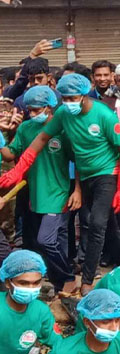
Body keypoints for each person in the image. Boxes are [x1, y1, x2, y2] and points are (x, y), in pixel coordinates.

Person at [0, 74, 120, 297]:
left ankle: (87, 279)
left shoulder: (103, 115)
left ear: (84, 93)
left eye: (73, 97)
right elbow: (40, 140)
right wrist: (19, 169)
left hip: (106, 173)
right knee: (110, 226)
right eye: (66, 98)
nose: (69, 102)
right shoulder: (62, 114)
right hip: (86, 174)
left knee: (96, 224)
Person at [1, 87, 79, 294]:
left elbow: (79, 160)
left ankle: (67, 277)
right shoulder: (26, 128)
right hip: (35, 194)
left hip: (59, 192)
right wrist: (1, 139)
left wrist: (77, 190)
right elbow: (10, 155)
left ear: (49, 107)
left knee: (46, 240)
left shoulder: (63, 130)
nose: (33, 114)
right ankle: (59, 284)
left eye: (37, 110)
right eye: (30, 110)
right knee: (53, 240)